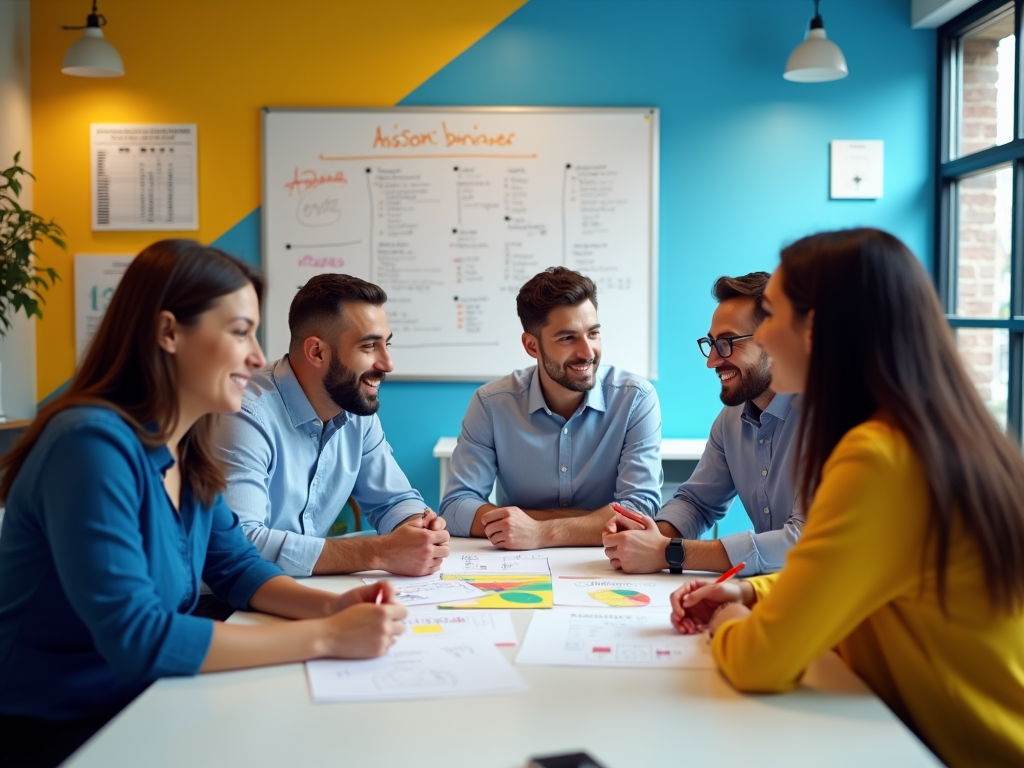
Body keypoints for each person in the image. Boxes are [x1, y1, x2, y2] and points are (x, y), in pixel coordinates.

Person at [0, 241, 407, 768]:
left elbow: (236, 566)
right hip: (60, 731)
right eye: (241, 332)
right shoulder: (90, 445)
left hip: (148, 703)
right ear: (168, 332)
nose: (259, 356)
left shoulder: (185, 443)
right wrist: (326, 636)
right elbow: (139, 636)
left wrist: (333, 606)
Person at [670, 229, 1024, 767]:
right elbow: (853, 571)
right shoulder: (922, 433)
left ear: (817, 330)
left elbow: (761, 663)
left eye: (775, 316)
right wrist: (753, 597)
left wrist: (730, 625)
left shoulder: (876, 456)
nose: (762, 340)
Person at [211, 273, 449, 577]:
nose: (388, 363)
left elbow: (393, 500)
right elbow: (241, 542)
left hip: (302, 591)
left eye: (386, 344)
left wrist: (417, 527)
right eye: (369, 346)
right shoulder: (244, 415)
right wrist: (379, 553)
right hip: (224, 603)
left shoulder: (355, 410)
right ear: (317, 352)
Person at [439, 266, 662, 549]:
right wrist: (593, 521)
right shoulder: (492, 404)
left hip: (606, 562)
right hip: (517, 564)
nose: (587, 352)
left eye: (593, 334)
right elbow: (457, 507)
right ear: (532, 346)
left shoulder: (635, 400)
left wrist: (538, 530)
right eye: (568, 338)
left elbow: (638, 511)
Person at [603, 273, 803, 577]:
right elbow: (697, 503)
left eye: (726, 343)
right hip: (774, 590)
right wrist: (650, 534)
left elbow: (802, 542)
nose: (711, 361)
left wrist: (668, 552)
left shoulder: (827, 418)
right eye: (711, 344)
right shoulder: (731, 419)